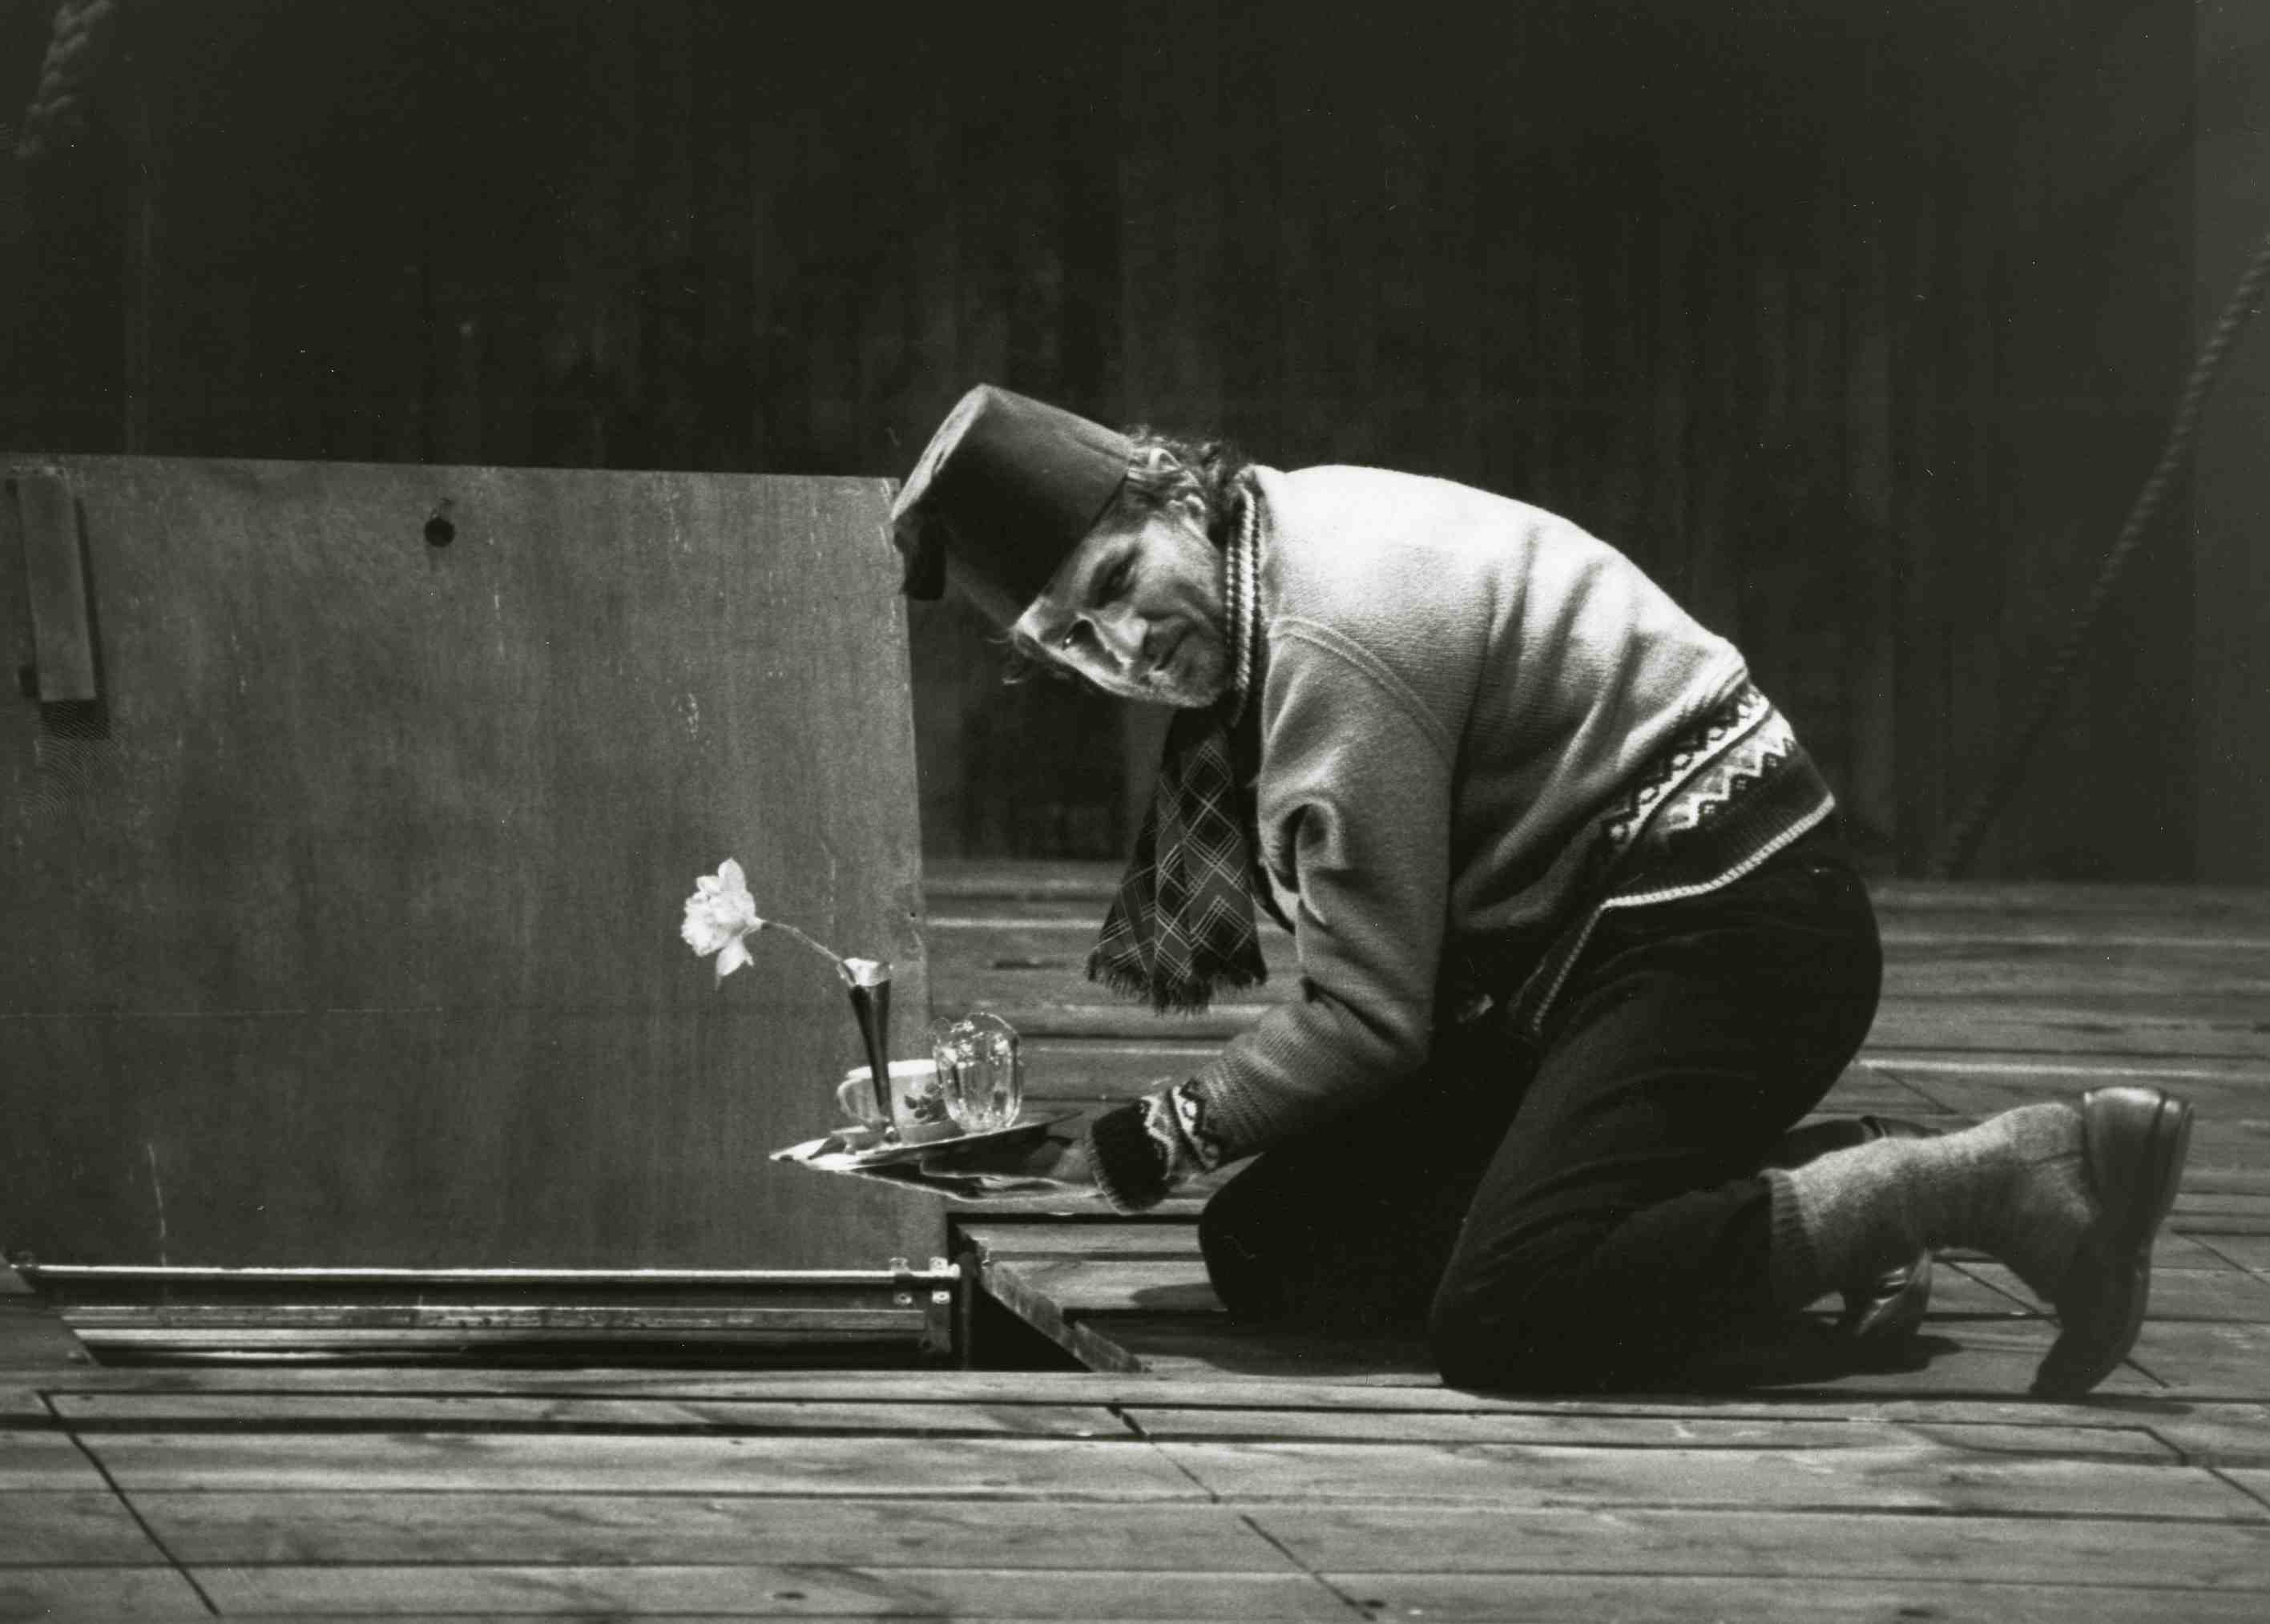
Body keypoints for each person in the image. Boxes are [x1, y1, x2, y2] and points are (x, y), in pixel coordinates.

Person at [887, 382, 2193, 1397]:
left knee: (1509, 1310)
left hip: (1731, 935)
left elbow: (1368, 1021)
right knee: (1273, 1249)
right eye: (1071, 639)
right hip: (1576, 965)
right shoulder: (1274, 531)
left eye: (1118, 584)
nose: (1122, 648)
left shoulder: (1328, 638)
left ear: (1173, 494)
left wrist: (1143, 1138)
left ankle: (1976, 1180)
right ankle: (1803, 1189)